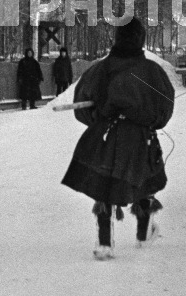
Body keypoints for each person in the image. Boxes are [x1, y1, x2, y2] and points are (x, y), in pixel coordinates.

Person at [61, 17, 175, 260]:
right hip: (141, 137)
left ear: (117, 38)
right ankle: (143, 235)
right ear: (141, 40)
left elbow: (82, 105)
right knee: (144, 181)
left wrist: (99, 120)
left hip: (107, 135)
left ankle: (104, 244)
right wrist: (149, 122)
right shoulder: (152, 72)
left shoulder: (99, 69)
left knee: (105, 186)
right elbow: (164, 109)